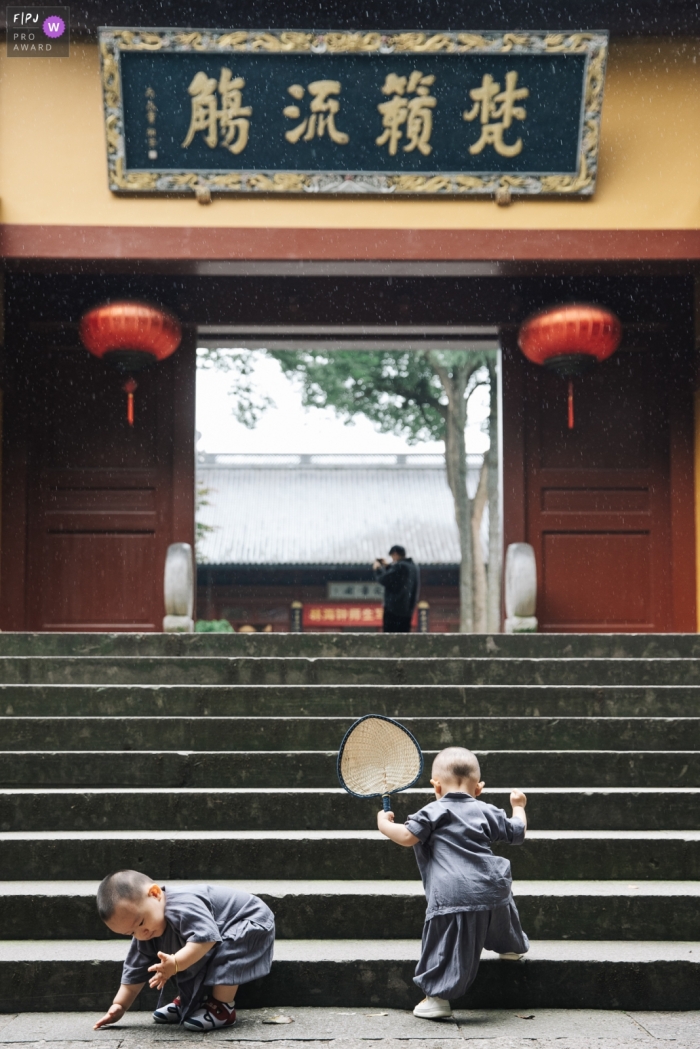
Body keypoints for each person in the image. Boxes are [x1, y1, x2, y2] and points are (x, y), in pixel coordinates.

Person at [376, 746, 529, 1020]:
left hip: (453, 891)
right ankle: (510, 948)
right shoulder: (487, 810)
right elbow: (517, 832)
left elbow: (407, 837)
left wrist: (383, 824)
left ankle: (436, 998)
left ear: (435, 785)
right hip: (492, 883)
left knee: (445, 943)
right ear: (478, 788)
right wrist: (518, 807)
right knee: (501, 912)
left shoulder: (433, 811)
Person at [93, 871, 275, 1032]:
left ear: (155, 894)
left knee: (227, 949)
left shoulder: (183, 905)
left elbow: (207, 939)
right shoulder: (146, 931)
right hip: (218, 928)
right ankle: (192, 1002)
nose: (142, 933)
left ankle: (223, 1008)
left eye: (140, 923)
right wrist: (120, 1005)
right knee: (183, 954)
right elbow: (134, 971)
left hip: (250, 920)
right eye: (131, 932)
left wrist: (177, 963)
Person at [373, 545, 420, 633]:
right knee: (403, 637)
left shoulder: (399, 566)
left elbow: (385, 579)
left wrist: (378, 569)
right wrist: (388, 566)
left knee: (390, 637)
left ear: (395, 554)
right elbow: (398, 577)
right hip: (407, 610)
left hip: (394, 609)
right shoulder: (413, 567)